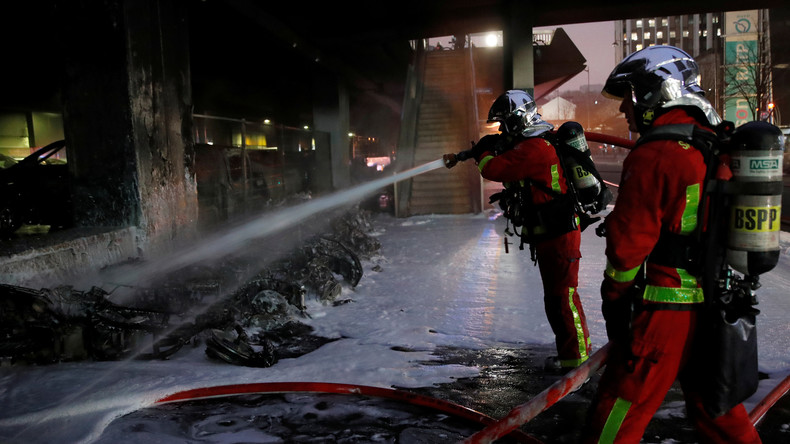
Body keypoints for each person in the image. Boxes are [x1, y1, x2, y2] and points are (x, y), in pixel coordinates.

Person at [581, 46, 762, 443]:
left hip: (665, 309)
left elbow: (628, 246)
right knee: (717, 409)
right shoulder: (714, 141)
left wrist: (615, 295)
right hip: (717, 303)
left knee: (619, 410)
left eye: (629, 98)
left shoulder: (656, 153)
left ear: (653, 92)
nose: (624, 111)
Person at [443, 90, 592, 373]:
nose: (502, 129)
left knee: (564, 295)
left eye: (505, 122)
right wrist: (481, 149)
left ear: (518, 118)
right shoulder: (531, 142)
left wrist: (483, 151)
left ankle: (579, 359)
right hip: (549, 233)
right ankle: (570, 354)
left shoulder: (536, 148)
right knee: (555, 296)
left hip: (560, 233)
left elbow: (494, 169)